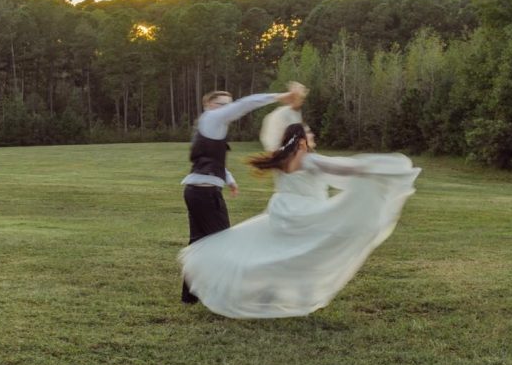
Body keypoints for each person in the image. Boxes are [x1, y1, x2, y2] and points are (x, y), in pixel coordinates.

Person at [179, 122, 420, 318]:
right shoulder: (308, 159)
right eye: (309, 133)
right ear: (302, 140)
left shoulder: (279, 158)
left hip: (282, 211)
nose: (313, 135)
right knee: (307, 254)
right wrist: (376, 169)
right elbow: (344, 169)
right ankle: (299, 296)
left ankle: (269, 293)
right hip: (307, 213)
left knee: (276, 253)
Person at [180, 84, 306, 304]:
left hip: (197, 191)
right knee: (225, 244)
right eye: (222, 105)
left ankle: (189, 297)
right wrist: (280, 96)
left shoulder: (210, 125)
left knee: (199, 243)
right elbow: (245, 104)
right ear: (209, 105)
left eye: (228, 105)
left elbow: (208, 159)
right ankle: (232, 296)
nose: (227, 109)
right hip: (205, 194)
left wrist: (229, 179)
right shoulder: (212, 118)